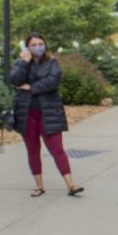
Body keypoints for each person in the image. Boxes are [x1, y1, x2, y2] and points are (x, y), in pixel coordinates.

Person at [9, 32, 84, 197]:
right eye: (33, 45)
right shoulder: (21, 62)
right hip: (26, 113)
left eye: (40, 44)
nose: (37, 47)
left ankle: (71, 185)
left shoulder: (52, 62)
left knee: (57, 149)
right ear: (27, 47)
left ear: (45, 45)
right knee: (33, 150)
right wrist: (24, 62)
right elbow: (14, 80)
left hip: (49, 112)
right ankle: (39, 186)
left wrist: (31, 87)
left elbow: (54, 81)